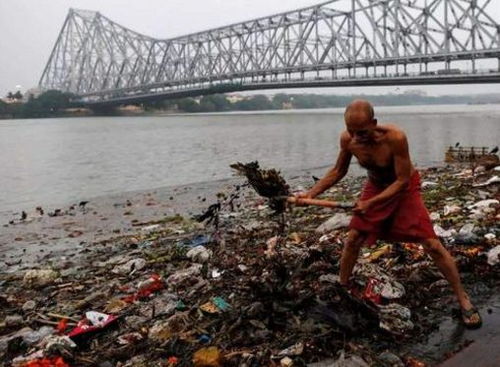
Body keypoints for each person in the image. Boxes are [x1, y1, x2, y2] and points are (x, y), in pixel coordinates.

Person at [298, 99, 482, 328]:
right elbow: (338, 170)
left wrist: (370, 204)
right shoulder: (348, 140)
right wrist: (310, 194)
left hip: (403, 188)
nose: (356, 137)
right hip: (375, 186)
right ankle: (343, 288)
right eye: (351, 131)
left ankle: (463, 299)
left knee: (431, 244)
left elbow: (404, 180)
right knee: (353, 238)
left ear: (374, 123)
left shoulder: (395, 138)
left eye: (362, 132)